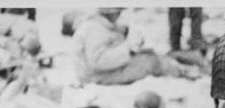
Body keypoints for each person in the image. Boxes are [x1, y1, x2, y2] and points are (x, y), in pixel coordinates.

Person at [64, 7, 199, 85]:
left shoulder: (99, 24)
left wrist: (127, 39)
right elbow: (99, 61)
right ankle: (180, 71)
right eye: (118, 11)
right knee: (150, 63)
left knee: (149, 56)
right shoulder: (93, 28)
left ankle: (179, 68)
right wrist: (129, 49)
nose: (119, 14)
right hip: (95, 77)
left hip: (101, 71)